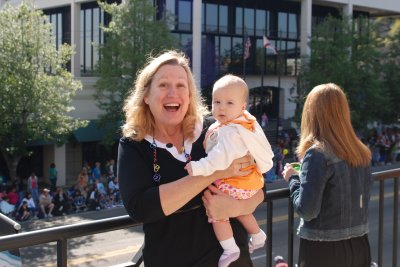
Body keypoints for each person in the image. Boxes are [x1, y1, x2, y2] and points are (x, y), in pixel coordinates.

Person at [118, 50, 264, 267]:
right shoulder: (134, 144)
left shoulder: (215, 130)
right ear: (146, 96)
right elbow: (141, 208)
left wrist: (235, 208)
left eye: (180, 86)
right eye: (163, 85)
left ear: (189, 96)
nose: (172, 93)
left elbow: (259, 187)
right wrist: (216, 172)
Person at [185, 74, 274, 267]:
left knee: (217, 213)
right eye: (217, 102)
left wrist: (199, 167)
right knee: (239, 209)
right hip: (249, 183)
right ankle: (258, 234)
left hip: (236, 183)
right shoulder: (243, 123)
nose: (221, 107)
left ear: (242, 107)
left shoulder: (229, 132)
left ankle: (230, 248)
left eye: (229, 103)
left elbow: (218, 159)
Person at [282, 83, 373, 267]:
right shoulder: (361, 151)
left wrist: (292, 178)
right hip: (360, 244)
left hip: (324, 249)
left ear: (311, 114)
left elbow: (307, 211)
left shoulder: (317, 154)